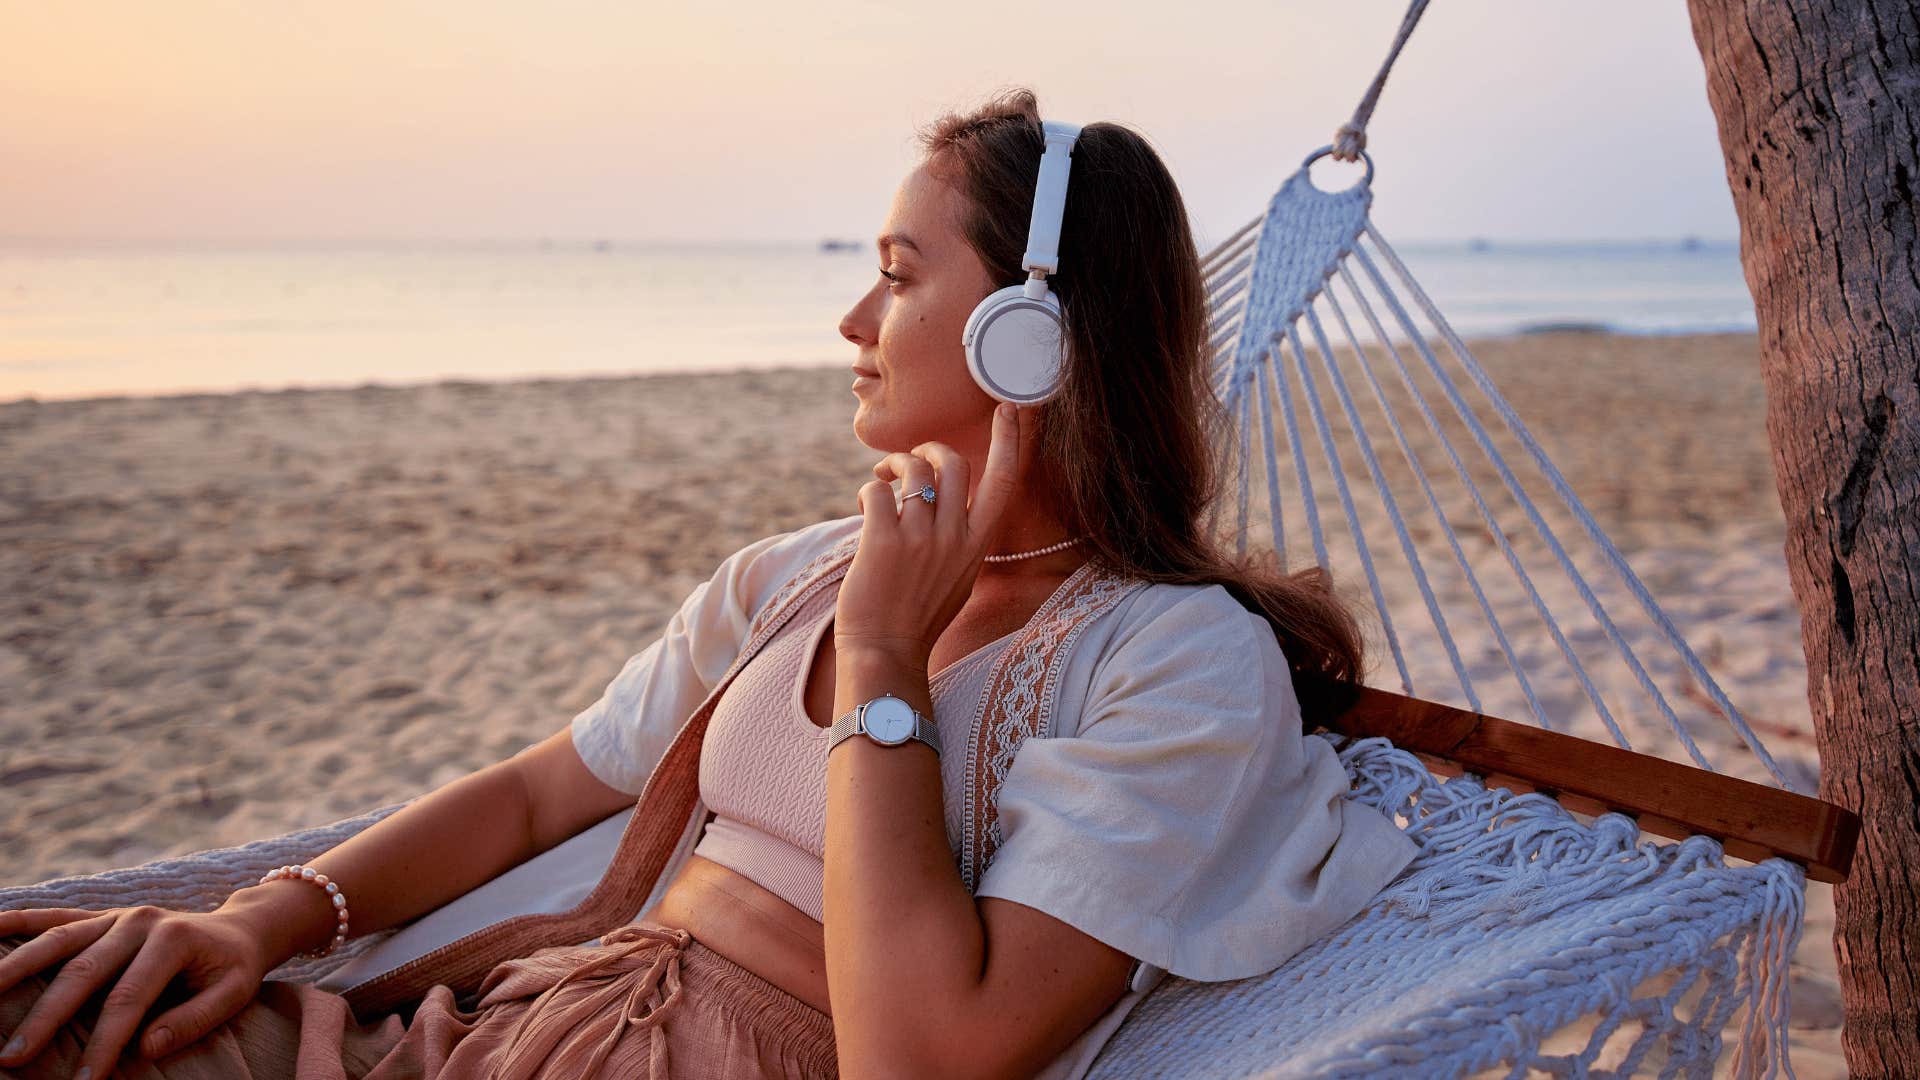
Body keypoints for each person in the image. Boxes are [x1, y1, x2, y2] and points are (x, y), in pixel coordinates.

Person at [0, 88, 1416, 1080]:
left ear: (1030, 337)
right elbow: (540, 792)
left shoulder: (1171, 663)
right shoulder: (799, 575)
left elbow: (924, 1059)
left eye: (898, 276)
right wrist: (256, 919)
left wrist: (883, 670)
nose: (853, 320)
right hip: (503, 1030)